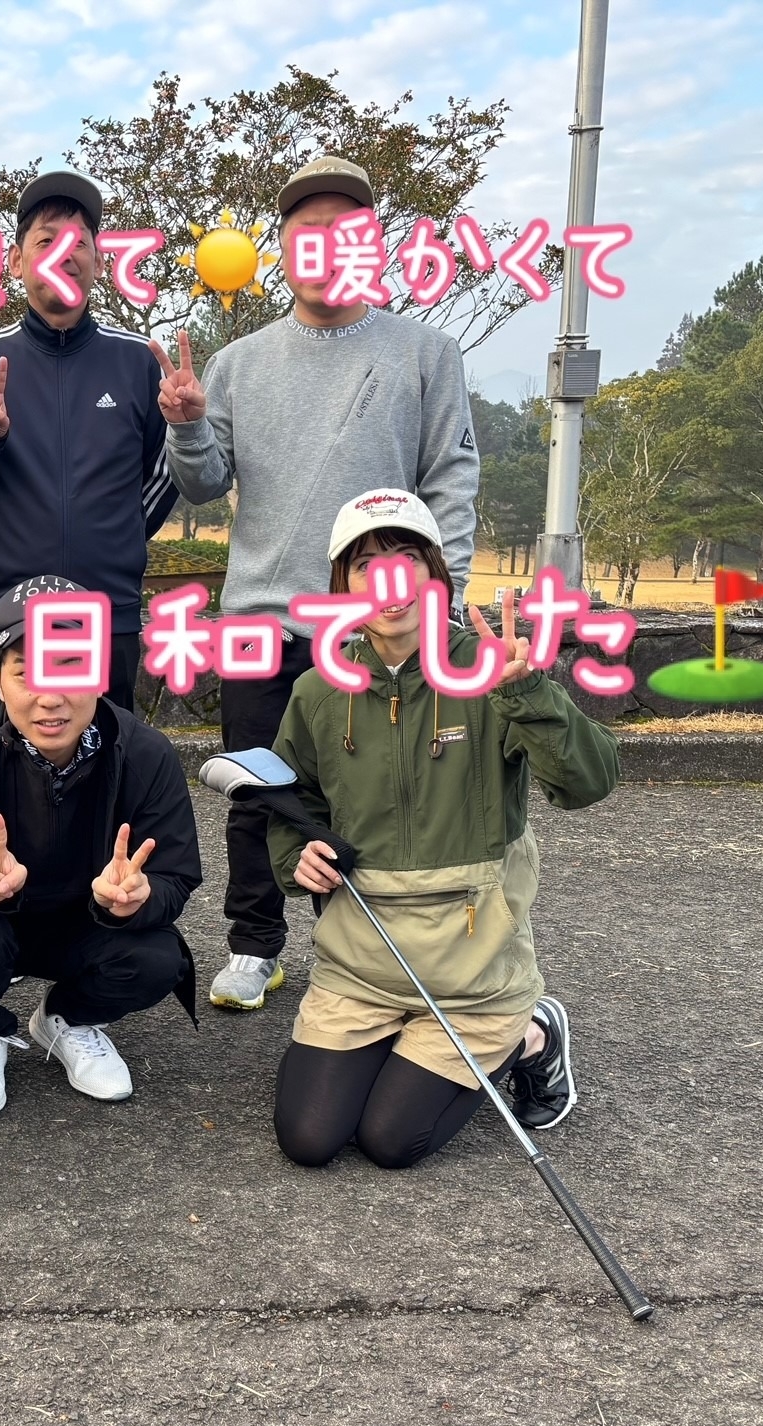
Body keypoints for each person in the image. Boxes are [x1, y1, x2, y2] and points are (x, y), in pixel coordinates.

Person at [154, 155, 481, 1012]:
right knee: (257, 792)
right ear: (283, 247)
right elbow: (203, 484)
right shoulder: (237, 362)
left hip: (379, 621)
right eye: (307, 230)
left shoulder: (426, 353)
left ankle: (365, 951)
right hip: (260, 618)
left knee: (380, 797)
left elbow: (450, 481)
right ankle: (253, 946)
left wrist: (442, 598)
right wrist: (186, 426)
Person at [265, 492, 613, 1170]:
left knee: (392, 1142)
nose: (388, 582)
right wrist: (297, 856)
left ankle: (533, 1034)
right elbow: (289, 799)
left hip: (471, 974)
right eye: (365, 565)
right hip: (361, 966)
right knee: (309, 1139)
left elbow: (589, 783)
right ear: (342, 586)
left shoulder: (493, 671)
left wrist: (528, 693)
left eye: (406, 559)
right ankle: (402, 1047)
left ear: (436, 574)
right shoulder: (317, 692)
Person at [0, 576, 202, 1119]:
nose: (50, 698)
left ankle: (67, 1018)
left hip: (87, 923)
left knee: (157, 959)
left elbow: (176, 873)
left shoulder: (147, 754)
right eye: (26, 673)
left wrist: (134, 898)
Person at [0, 170, 181, 712]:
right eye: (46, 240)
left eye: (78, 243)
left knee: (110, 755)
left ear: (99, 261)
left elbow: (166, 471)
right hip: (10, 618)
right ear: (16, 261)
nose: (62, 254)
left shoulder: (138, 360)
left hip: (108, 615)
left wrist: (119, 532)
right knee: (9, 758)